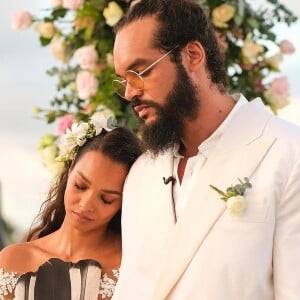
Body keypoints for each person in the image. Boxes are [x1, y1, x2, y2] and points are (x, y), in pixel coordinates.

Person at [111, 0, 300, 299]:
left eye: (139, 72)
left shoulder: (289, 153)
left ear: (192, 56)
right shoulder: (141, 173)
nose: (131, 92)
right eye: (123, 81)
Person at [0, 115, 142, 300]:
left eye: (106, 199)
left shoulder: (133, 265)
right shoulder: (13, 260)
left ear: (124, 201)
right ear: (70, 169)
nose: (86, 205)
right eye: (80, 186)